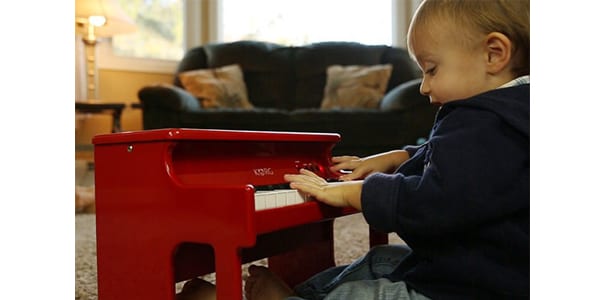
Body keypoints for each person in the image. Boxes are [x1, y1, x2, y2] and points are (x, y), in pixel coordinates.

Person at [178, 0, 530, 299]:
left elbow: (434, 203)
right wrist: (399, 158)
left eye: (432, 70)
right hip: (482, 266)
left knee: (368, 294)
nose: (423, 86)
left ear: (493, 53)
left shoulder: (484, 120)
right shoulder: (507, 115)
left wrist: (354, 192)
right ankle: (297, 294)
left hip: (472, 287)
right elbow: (455, 163)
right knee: (379, 259)